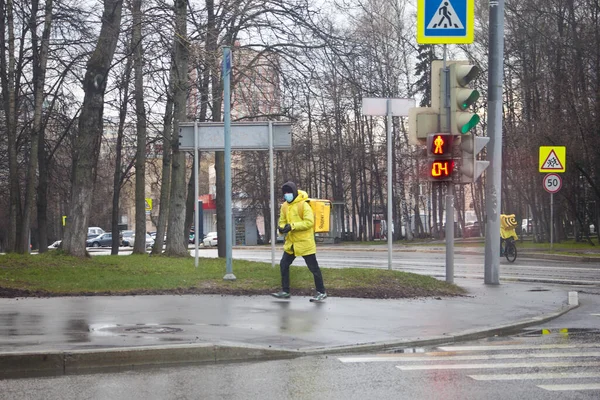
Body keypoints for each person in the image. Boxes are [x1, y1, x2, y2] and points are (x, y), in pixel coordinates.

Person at [271, 181, 327, 302]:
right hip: (291, 243)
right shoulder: (285, 206)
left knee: (313, 268)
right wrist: (281, 229)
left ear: (294, 192)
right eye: (285, 193)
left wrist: (292, 226)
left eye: (289, 192)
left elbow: (309, 222)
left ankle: (321, 291)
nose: (287, 195)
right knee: (284, 265)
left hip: (305, 243)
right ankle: (285, 291)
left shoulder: (303, 205)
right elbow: (282, 220)